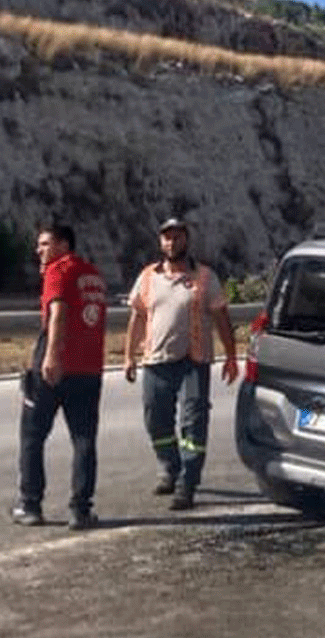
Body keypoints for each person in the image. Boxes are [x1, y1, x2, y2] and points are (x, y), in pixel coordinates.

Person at [123, 218, 238, 511]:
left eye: (177, 237)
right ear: (161, 243)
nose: (172, 243)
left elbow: (221, 317)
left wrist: (231, 356)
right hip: (156, 360)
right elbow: (137, 317)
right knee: (155, 419)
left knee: (193, 422)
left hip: (193, 361)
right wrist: (128, 356)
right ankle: (169, 467)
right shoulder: (148, 276)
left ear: (186, 241)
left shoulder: (204, 277)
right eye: (167, 238)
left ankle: (188, 482)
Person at [12, 223, 107, 530]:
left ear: (64, 245)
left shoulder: (58, 270)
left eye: (44, 244)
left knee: (32, 436)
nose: (39, 251)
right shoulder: (93, 274)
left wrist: (52, 355)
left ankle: (31, 505)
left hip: (55, 367)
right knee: (84, 439)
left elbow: (59, 312)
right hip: (89, 369)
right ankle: (81, 510)